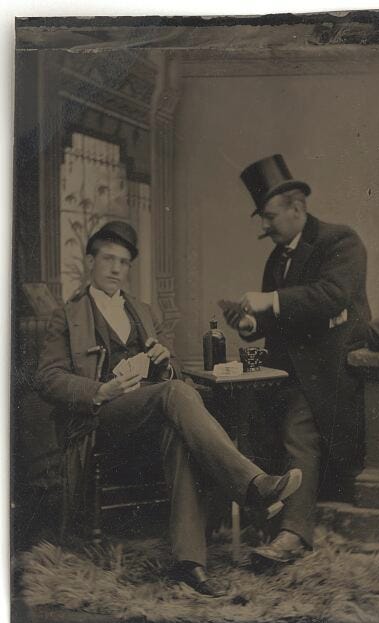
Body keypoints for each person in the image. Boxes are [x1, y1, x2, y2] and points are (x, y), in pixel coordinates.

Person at [36, 220, 302, 597]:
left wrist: (165, 363)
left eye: (124, 262)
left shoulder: (144, 311)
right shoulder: (66, 315)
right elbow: (48, 378)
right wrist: (101, 389)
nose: (116, 269)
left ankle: (189, 563)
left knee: (177, 431)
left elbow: (171, 369)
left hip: (147, 413)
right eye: (108, 259)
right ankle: (253, 485)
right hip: (101, 419)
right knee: (174, 394)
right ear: (91, 262)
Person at [223, 154, 371, 566]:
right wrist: (252, 325)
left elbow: (332, 296)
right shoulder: (277, 258)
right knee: (241, 413)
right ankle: (259, 517)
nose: (264, 225)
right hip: (287, 367)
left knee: (297, 429)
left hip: (330, 371)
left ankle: (293, 535)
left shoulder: (341, 242)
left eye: (269, 216)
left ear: (297, 208)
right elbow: (279, 321)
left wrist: (269, 300)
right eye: (261, 217)